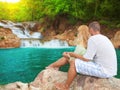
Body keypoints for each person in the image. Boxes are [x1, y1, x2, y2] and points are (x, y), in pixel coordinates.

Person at [53, 21, 117, 90]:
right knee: (78, 62)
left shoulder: (93, 39)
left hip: (103, 71)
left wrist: (72, 54)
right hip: (112, 71)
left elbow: (87, 58)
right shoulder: (105, 38)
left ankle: (65, 87)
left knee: (74, 63)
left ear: (91, 30)